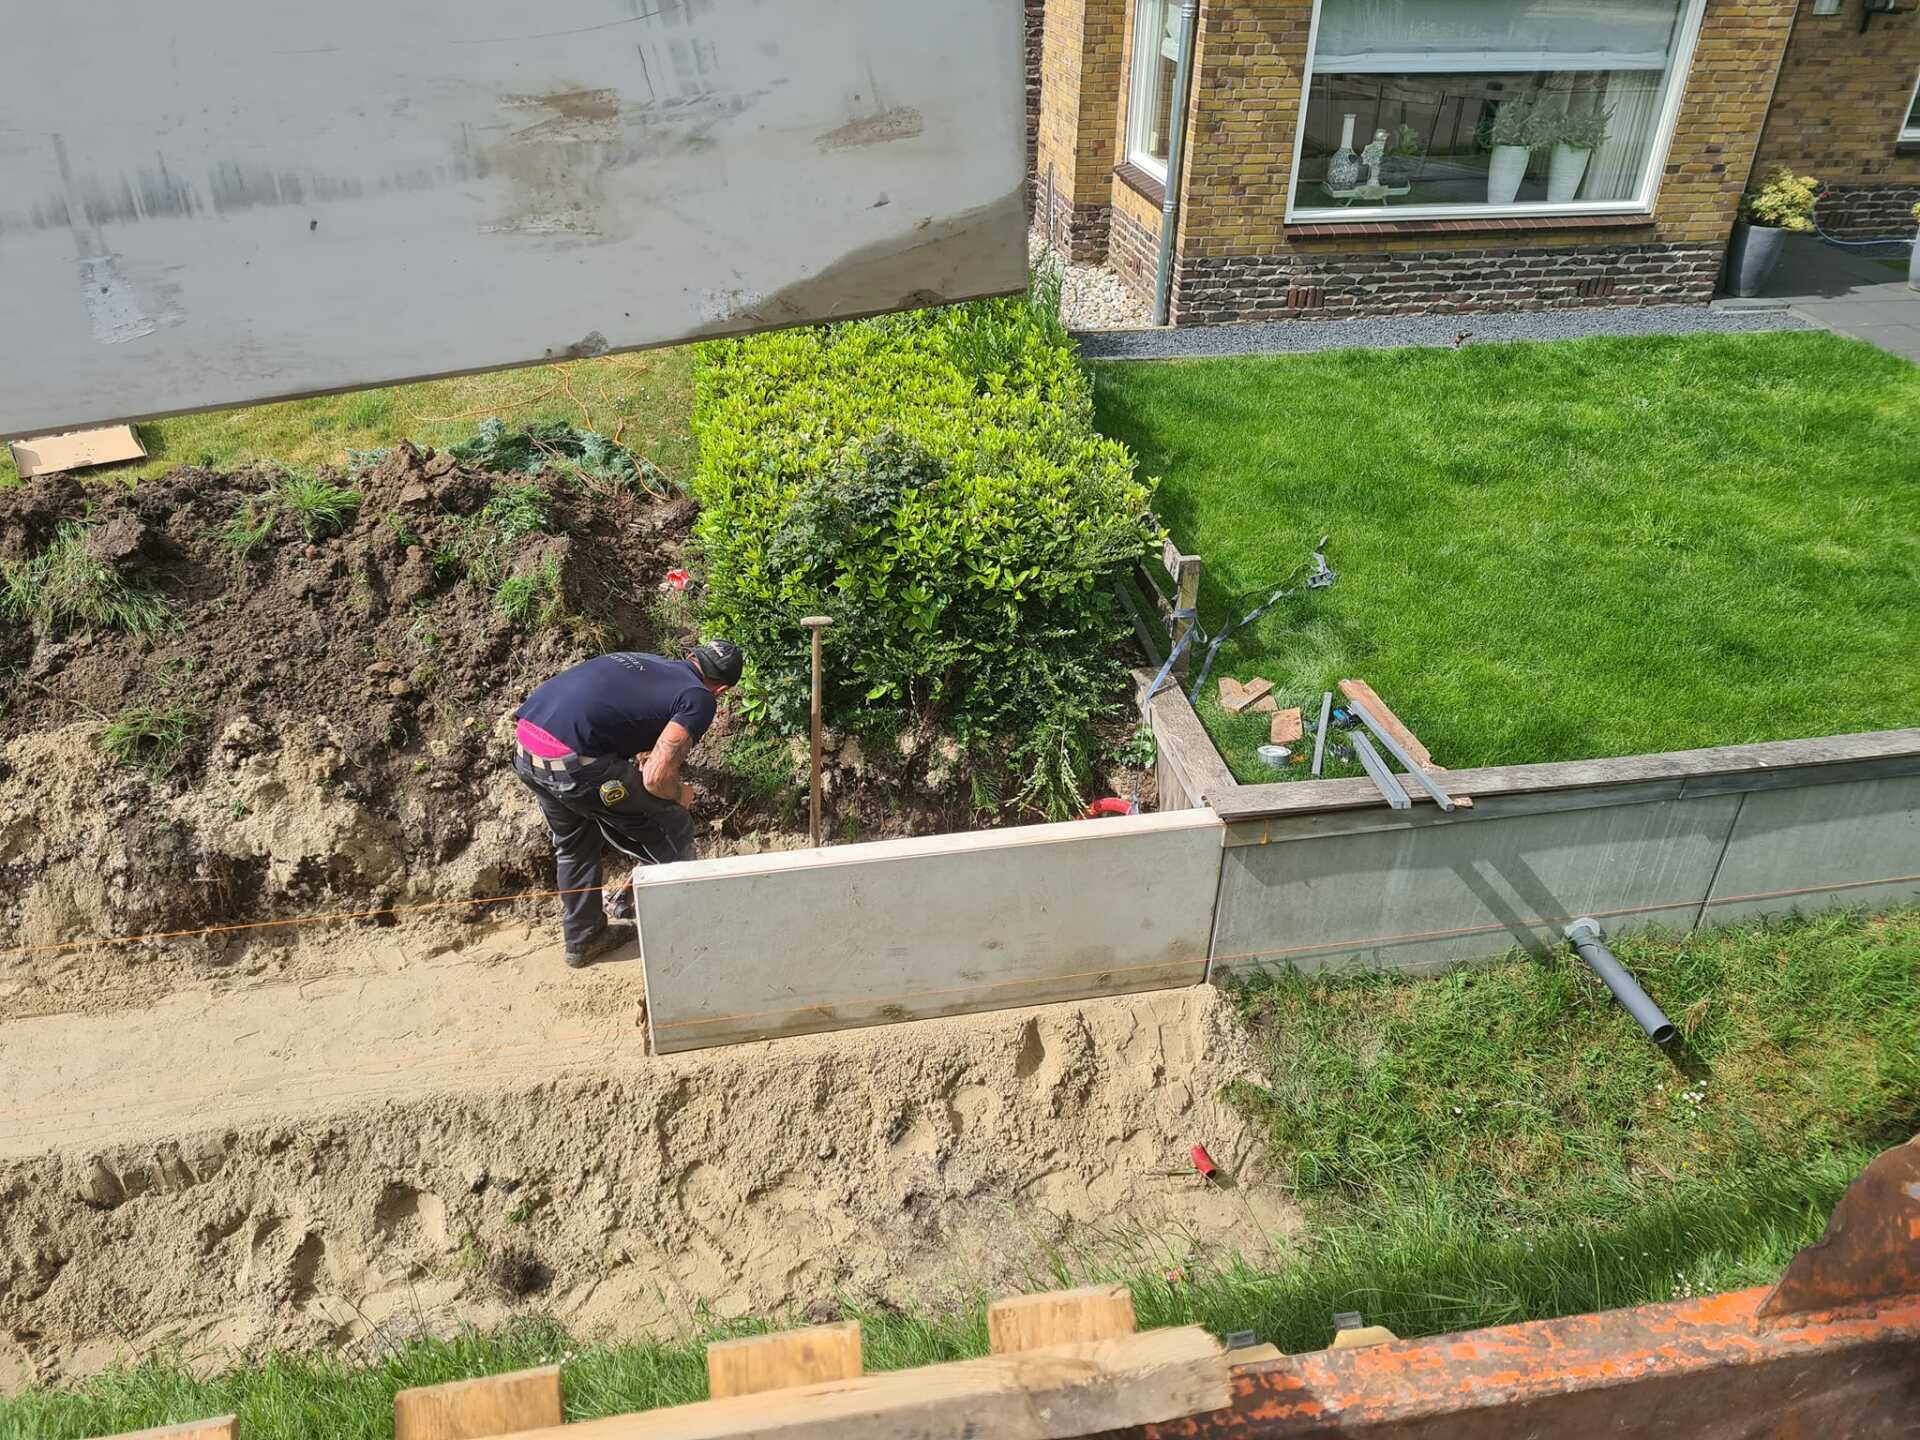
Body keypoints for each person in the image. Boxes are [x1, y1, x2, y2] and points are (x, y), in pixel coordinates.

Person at [512, 641, 743, 967]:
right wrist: (680, 794)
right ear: (721, 689)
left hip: (526, 746)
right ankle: (691, 938)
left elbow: (617, 716)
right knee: (673, 827)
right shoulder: (699, 698)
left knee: (575, 844)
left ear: (692, 657)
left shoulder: (645, 660)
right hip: (574, 763)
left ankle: (585, 939)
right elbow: (655, 777)